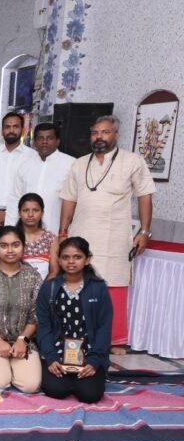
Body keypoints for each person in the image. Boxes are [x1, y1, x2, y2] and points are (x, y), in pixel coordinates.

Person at [59, 115, 155, 351]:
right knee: (78, 282)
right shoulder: (80, 163)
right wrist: (62, 231)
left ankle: (114, 339)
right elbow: (69, 199)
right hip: (82, 232)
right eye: (95, 133)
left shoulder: (133, 161)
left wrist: (144, 231)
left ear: (116, 135)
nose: (99, 137)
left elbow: (145, 196)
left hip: (115, 235)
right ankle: (78, 335)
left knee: (114, 284)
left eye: (105, 132)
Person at [37, 237, 113, 404]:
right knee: (56, 390)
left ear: (87, 259)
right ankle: (67, 377)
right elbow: (44, 326)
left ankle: (85, 377)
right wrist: (50, 357)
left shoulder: (98, 288)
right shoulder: (49, 287)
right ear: (58, 260)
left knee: (90, 395)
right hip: (57, 353)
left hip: (89, 353)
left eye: (77, 257)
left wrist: (94, 361)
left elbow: (104, 327)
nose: (71, 262)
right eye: (65, 257)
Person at [0, 226, 43, 394]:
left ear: (23, 247)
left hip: (23, 341)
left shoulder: (33, 276)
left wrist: (23, 340)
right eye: (4, 245)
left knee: (30, 386)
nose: (10, 250)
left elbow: (36, 315)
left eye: (15, 245)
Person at [4, 122, 73, 233]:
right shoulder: (25, 166)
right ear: (34, 142)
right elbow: (15, 199)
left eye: (49, 138)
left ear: (58, 141)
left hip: (57, 231)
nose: (44, 142)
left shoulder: (71, 164)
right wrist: (10, 230)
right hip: (26, 233)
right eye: (40, 138)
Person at [0, 112, 38, 234]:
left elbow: (31, 190)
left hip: (21, 217)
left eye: (15, 126)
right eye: (7, 127)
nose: (11, 130)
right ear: (2, 130)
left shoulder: (33, 156)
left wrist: (11, 214)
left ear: (23, 130)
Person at [17, 193, 59, 279]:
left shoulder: (50, 238)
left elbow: (54, 271)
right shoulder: (12, 237)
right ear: (19, 213)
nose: (30, 214)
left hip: (45, 285)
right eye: (25, 210)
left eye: (35, 210)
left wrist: (44, 287)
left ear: (42, 213)